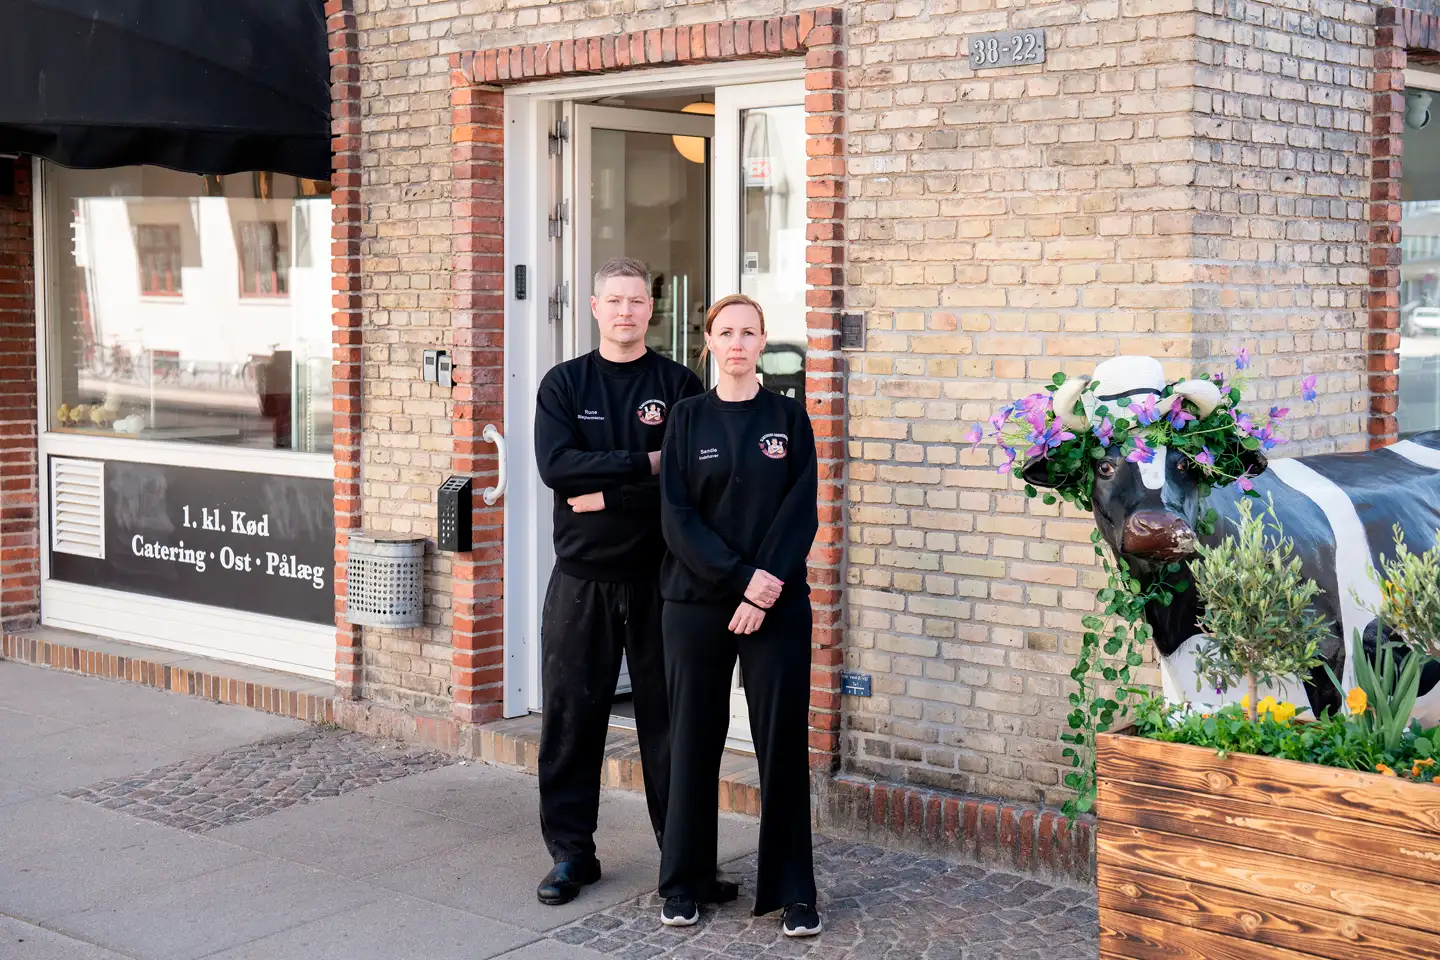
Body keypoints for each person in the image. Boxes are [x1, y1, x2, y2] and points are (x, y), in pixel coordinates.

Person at [531, 256, 717, 906]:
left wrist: (606, 495)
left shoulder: (679, 383)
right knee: (570, 722)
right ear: (593, 307)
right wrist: (645, 463)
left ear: (650, 310)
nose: (626, 312)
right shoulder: (563, 384)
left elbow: (691, 481)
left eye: (637, 301)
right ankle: (570, 857)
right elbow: (557, 467)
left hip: (659, 582)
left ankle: (684, 862)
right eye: (614, 301)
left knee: (670, 727)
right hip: (580, 583)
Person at [656, 293, 822, 937]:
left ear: (762, 343)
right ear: (707, 343)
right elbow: (677, 517)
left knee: (781, 747)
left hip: (775, 605)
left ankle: (793, 891)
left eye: (748, 332)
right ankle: (685, 881)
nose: (736, 343)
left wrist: (762, 591)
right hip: (695, 603)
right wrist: (736, 580)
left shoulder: (788, 417)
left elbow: (800, 510)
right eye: (725, 332)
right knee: (692, 740)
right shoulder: (687, 419)